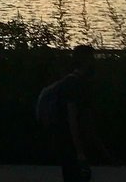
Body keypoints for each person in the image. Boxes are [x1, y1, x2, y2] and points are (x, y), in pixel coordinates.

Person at [52, 44, 110, 181]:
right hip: (72, 147)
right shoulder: (76, 85)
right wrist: (79, 152)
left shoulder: (72, 82)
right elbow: (73, 119)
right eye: (92, 58)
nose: (95, 62)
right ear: (86, 61)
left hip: (68, 145)